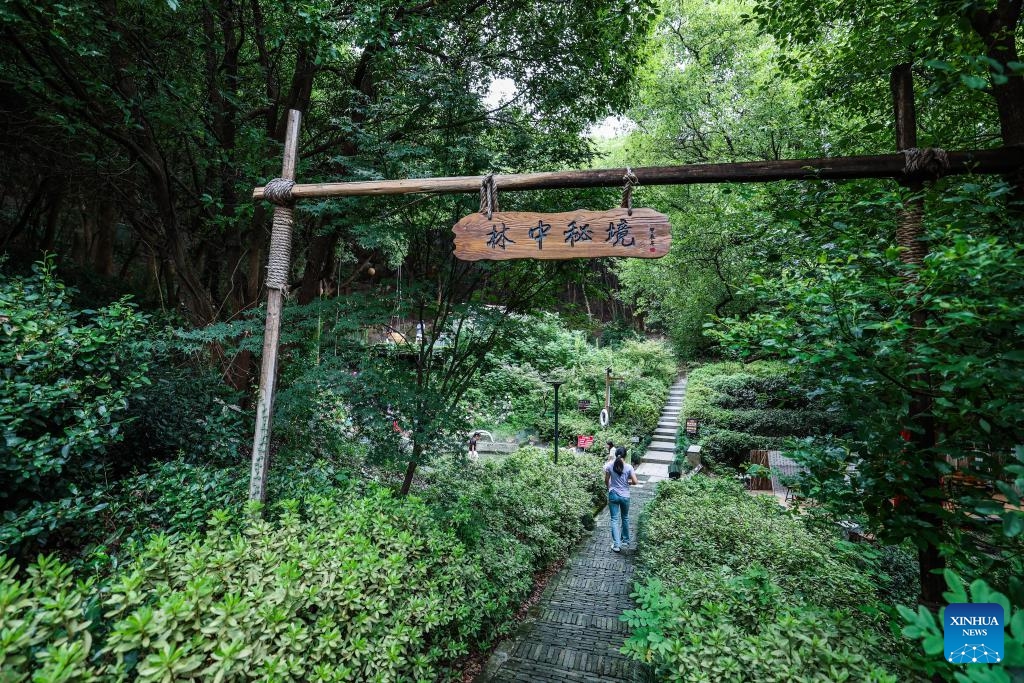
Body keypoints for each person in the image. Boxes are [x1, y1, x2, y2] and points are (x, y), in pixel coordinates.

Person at [603, 449, 638, 552]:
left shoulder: (610, 466)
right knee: (625, 518)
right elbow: (635, 481)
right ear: (625, 456)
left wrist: (610, 488)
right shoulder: (629, 467)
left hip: (613, 494)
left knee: (614, 519)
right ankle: (626, 540)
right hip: (625, 496)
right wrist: (628, 483)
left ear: (616, 454)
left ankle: (617, 545)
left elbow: (606, 480)